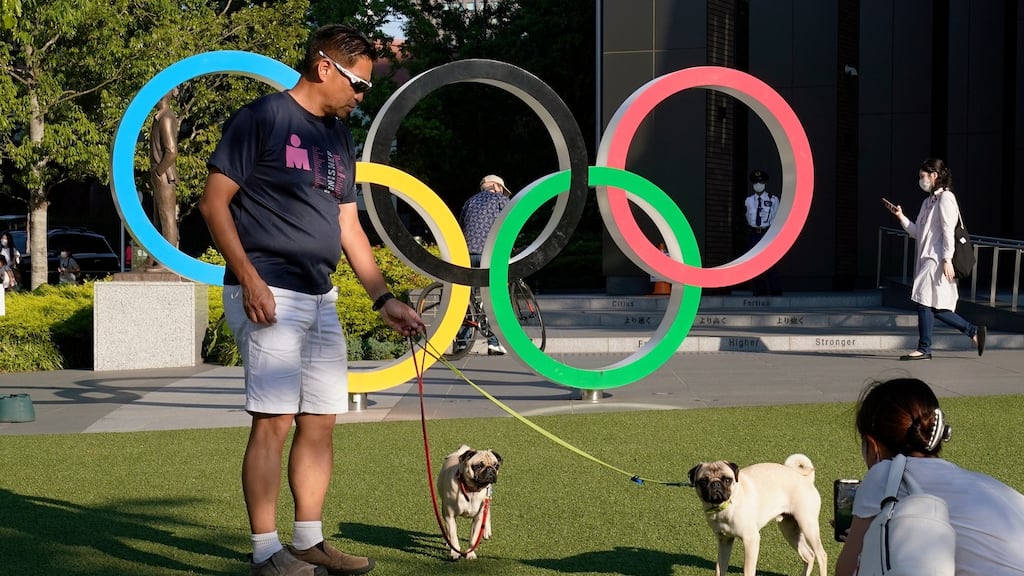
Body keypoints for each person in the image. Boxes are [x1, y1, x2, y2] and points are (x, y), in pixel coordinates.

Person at [198, 24, 423, 576]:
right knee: (273, 421)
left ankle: (307, 541)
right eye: (360, 84)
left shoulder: (339, 136)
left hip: (321, 294)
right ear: (325, 67)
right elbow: (213, 203)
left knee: (321, 419)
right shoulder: (264, 118)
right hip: (267, 291)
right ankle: (265, 551)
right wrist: (248, 277)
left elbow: (348, 224)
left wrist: (382, 298)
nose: (362, 96)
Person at [834, 377, 1024, 575]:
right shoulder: (985, 485)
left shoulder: (883, 475)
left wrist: (859, 540)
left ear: (873, 447)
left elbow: (845, 572)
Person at [886, 158, 985, 360]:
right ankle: (973, 331)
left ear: (934, 175)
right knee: (934, 306)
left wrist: (947, 259)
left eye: (923, 176)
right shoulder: (927, 202)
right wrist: (901, 217)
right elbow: (918, 232)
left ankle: (924, 348)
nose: (920, 180)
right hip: (928, 258)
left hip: (937, 259)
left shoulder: (946, 198)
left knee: (924, 302)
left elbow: (949, 231)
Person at [457, 174, 511, 355]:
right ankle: (494, 342)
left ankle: (462, 342)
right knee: (492, 298)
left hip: (467, 255)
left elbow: (461, 225)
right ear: (496, 187)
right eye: (503, 189)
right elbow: (510, 225)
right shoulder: (500, 200)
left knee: (467, 299)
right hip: (490, 255)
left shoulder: (469, 202)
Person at [148, 86, 181, 267]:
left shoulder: (166, 118)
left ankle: (167, 261)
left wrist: (159, 171)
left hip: (164, 175)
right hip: (160, 175)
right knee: (157, 219)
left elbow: (171, 152)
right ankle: (154, 258)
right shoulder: (160, 116)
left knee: (167, 217)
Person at [744, 169, 781, 296]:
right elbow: (747, 216)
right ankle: (759, 290)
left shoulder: (773, 200)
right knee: (754, 263)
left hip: (767, 233)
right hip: (754, 233)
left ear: (765, 183)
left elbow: (777, 217)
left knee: (770, 262)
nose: (758, 185)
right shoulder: (748, 201)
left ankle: (775, 289)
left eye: (760, 182)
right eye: (755, 182)